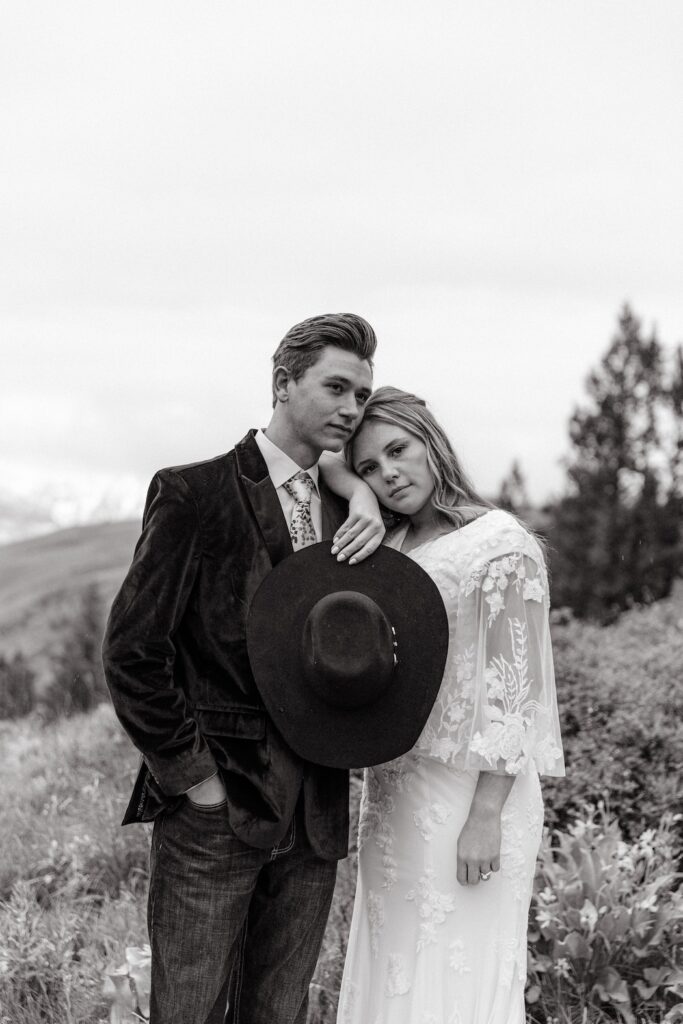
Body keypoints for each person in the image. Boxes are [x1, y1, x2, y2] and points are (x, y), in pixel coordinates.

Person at [102, 313, 385, 1024]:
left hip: (315, 816)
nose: (352, 409)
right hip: (215, 811)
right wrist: (196, 779)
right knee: (188, 1013)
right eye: (336, 387)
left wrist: (361, 492)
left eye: (360, 394)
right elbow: (134, 651)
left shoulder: (351, 513)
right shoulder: (192, 493)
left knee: (277, 1015)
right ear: (283, 383)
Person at [334, 386, 565, 1024]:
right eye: (370, 470)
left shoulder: (499, 542)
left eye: (398, 451)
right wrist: (354, 494)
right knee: (394, 966)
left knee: (460, 978)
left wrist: (486, 813)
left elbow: (515, 689)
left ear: (431, 442)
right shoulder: (391, 544)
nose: (389, 475)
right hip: (393, 794)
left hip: (472, 794)